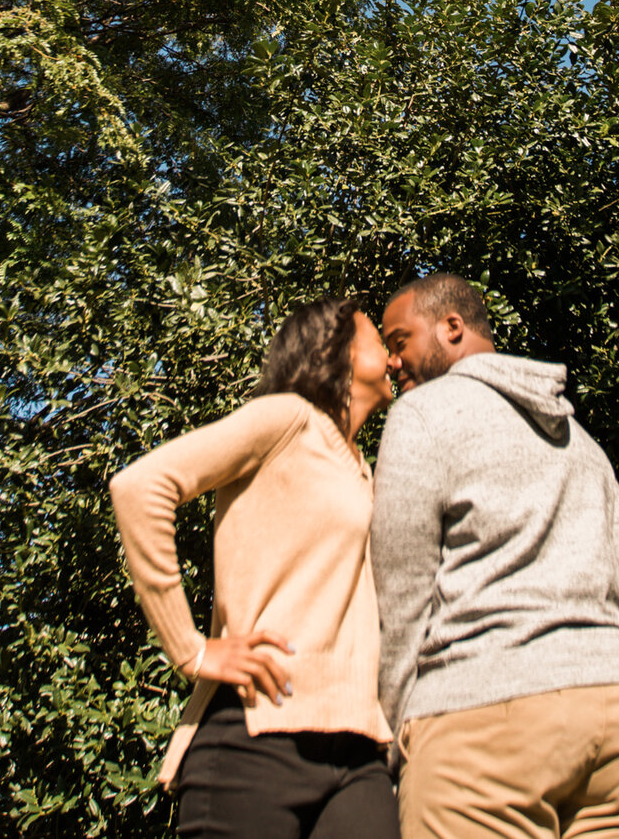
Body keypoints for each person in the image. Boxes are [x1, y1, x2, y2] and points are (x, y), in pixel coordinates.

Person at [372, 274, 619, 839]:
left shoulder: (424, 414)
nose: (390, 361)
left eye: (400, 339)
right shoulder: (580, 441)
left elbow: (401, 594)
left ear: (451, 327)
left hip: (481, 724)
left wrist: (394, 735)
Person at [111, 297, 401, 839]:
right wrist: (191, 649)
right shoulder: (287, 419)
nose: (390, 353)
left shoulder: (365, 470)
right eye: (377, 339)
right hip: (255, 734)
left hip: (358, 747)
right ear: (335, 352)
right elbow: (140, 487)